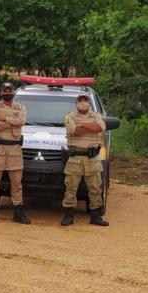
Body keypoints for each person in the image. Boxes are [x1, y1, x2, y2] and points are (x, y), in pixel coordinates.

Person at [0, 83, 30, 225]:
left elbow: (22, 121)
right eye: (5, 91)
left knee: (16, 184)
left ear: (14, 93)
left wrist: (4, 119)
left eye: (10, 91)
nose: (8, 93)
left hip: (15, 150)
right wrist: (13, 123)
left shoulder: (21, 108)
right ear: (1, 92)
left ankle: (18, 213)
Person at [61, 94, 109, 227]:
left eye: (85, 100)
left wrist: (82, 126)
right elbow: (74, 131)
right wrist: (90, 126)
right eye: (80, 100)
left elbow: (100, 127)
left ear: (89, 102)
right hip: (75, 158)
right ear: (76, 102)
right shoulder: (70, 116)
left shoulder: (97, 115)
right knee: (70, 189)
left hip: (92, 159)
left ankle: (95, 217)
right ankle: (68, 216)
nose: (83, 102)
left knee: (95, 189)